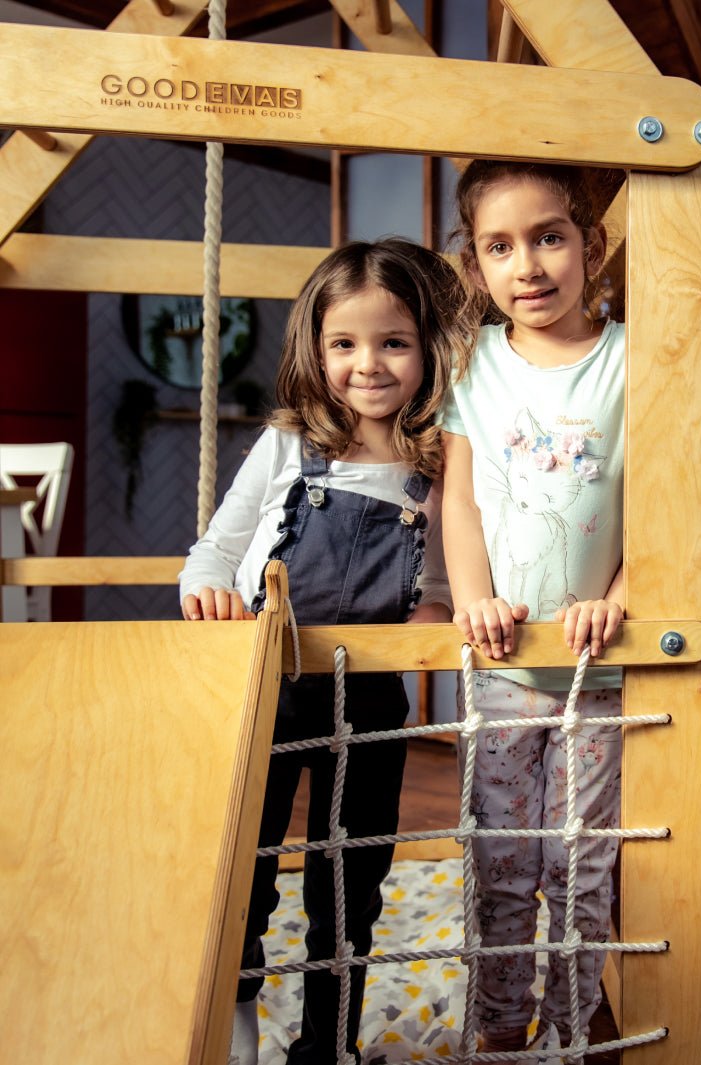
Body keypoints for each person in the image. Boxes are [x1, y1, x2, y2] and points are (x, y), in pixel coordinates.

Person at [179, 238, 463, 1065]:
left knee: (348, 884)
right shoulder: (286, 443)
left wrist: (434, 615)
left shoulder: (438, 462)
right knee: (247, 874)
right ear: (316, 348)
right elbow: (213, 550)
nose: (367, 364)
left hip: (369, 700)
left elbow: (440, 582)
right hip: (268, 694)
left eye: (393, 342)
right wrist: (208, 589)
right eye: (345, 344)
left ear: (428, 348)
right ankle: (233, 1039)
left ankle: (326, 1046)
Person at [440, 160, 626, 1059]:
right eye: (501, 246)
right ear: (475, 268)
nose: (530, 265)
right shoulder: (473, 365)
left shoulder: (634, 358)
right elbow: (462, 501)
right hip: (505, 664)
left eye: (549, 237)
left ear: (589, 244)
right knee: (503, 861)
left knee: (581, 864)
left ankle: (570, 1030)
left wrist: (621, 599)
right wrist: (471, 597)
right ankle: (498, 1031)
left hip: (603, 666)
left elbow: (672, 499)